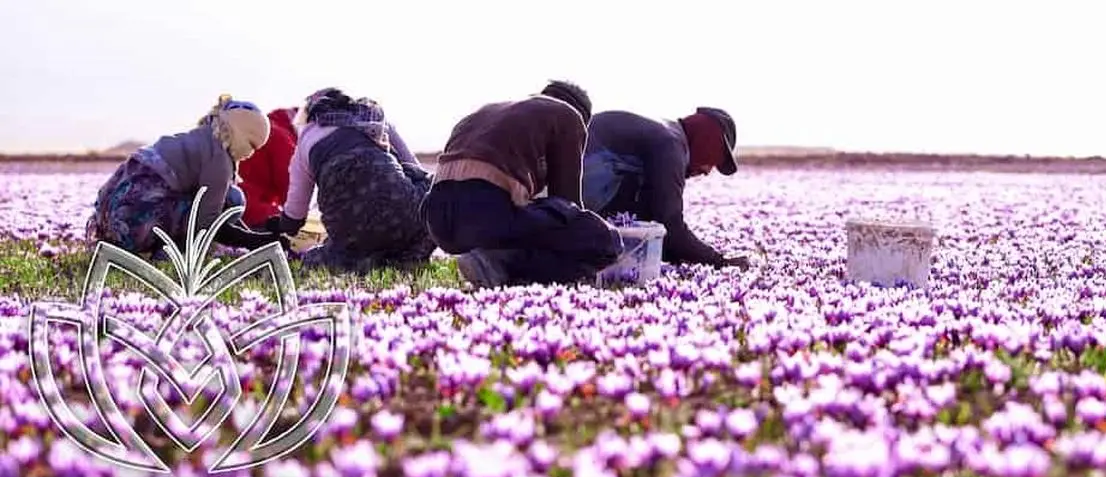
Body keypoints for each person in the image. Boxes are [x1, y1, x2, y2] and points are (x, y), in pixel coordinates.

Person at [419, 80, 623, 289]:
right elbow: (568, 204)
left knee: (530, 222)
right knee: (605, 240)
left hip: (435, 218)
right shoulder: (569, 115)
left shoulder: (489, 112)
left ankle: (492, 258)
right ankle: (503, 263)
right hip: (482, 210)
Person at [85, 96, 286, 257]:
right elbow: (209, 224)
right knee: (234, 200)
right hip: (133, 225)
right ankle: (172, 252)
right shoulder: (219, 160)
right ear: (240, 133)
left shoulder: (203, 138)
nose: (251, 154)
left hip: (111, 219)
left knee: (227, 198)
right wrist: (257, 242)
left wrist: (257, 235)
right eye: (251, 145)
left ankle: (159, 245)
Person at [263, 88, 435, 271]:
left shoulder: (306, 140)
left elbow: (294, 217)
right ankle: (408, 257)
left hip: (350, 234)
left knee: (338, 253)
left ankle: (358, 259)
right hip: (400, 213)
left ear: (311, 114)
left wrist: (279, 225)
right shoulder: (373, 118)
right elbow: (415, 167)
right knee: (434, 193)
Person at [582, 107, 751, 268]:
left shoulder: (667, 134)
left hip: (576, 179)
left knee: (650, 216)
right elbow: (670, 224)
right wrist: (719, 262)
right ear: (705, 139)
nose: (707, 171)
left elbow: (658, 220)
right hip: (583, 183)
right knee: (653, 220)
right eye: (714, 157)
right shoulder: (670, 146)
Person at [237, 107, 299, 228]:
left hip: (230, 202)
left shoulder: (263, 129)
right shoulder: (282, 138)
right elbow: (292, 192)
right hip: (253, 211)